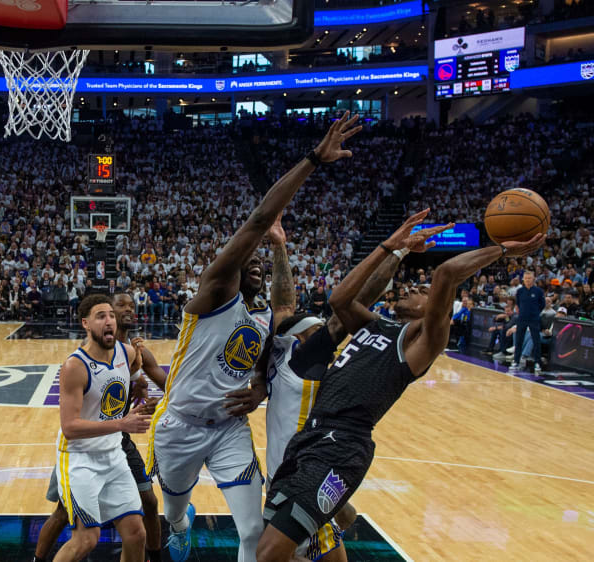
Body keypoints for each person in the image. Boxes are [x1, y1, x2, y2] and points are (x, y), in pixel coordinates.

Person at [255, 211, 544, 561]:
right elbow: (340, 301)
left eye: (424, 291)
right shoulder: (378, 325)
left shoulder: (422, 342)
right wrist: (391, 248)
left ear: (435, 309)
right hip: (311, 440)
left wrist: (501, 249)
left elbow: (447, 274)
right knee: (289, 547)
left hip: (341, 447)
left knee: (270, 553)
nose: (417, 290)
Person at [149, 112, 362, 562]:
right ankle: (179, 526)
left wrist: (261, 387)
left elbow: (280, 320)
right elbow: (260, 217)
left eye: (260, 263)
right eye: (253, 260)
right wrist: (312, 161)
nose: (257, 264)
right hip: (180, 426)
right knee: (173, 510)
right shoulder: (213, 292)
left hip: (228, 428)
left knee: (252, 532)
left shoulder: (263, 313)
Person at [262, 213, 446, 562]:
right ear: (298, 336)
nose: (325, 333)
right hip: (297, 468)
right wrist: (280, 247)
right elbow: (299, 305)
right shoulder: (293, 357)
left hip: (309, 465)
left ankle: (336, 510)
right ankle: (338, 510)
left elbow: (297, 305)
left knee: (306, 543)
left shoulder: (295, 360)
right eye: (314, 330)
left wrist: (397, 253)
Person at [33, 292, 168, 562]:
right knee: (86, 538)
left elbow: (131, 378)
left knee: (136, 534)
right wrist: (123, 422)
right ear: (85, 323)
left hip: (113, 454)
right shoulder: (75, 366)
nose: (109, 320)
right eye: (100, 316)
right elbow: (70, 427)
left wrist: (138, 399)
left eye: (110, 315)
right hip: (79, 458)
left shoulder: (127, 353)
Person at [510, 271, 543, 373]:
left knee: (536, 341)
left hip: (534, 319)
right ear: (523, 279)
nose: (528, 280)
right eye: (526, 278)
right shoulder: (520, 291)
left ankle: (537, 363)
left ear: (533, 279)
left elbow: (542, 304)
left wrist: (535, 313)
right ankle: (516, 361)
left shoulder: (538, 291)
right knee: (518, 341)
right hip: (522, 319)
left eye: (530, 278)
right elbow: (518, 304)